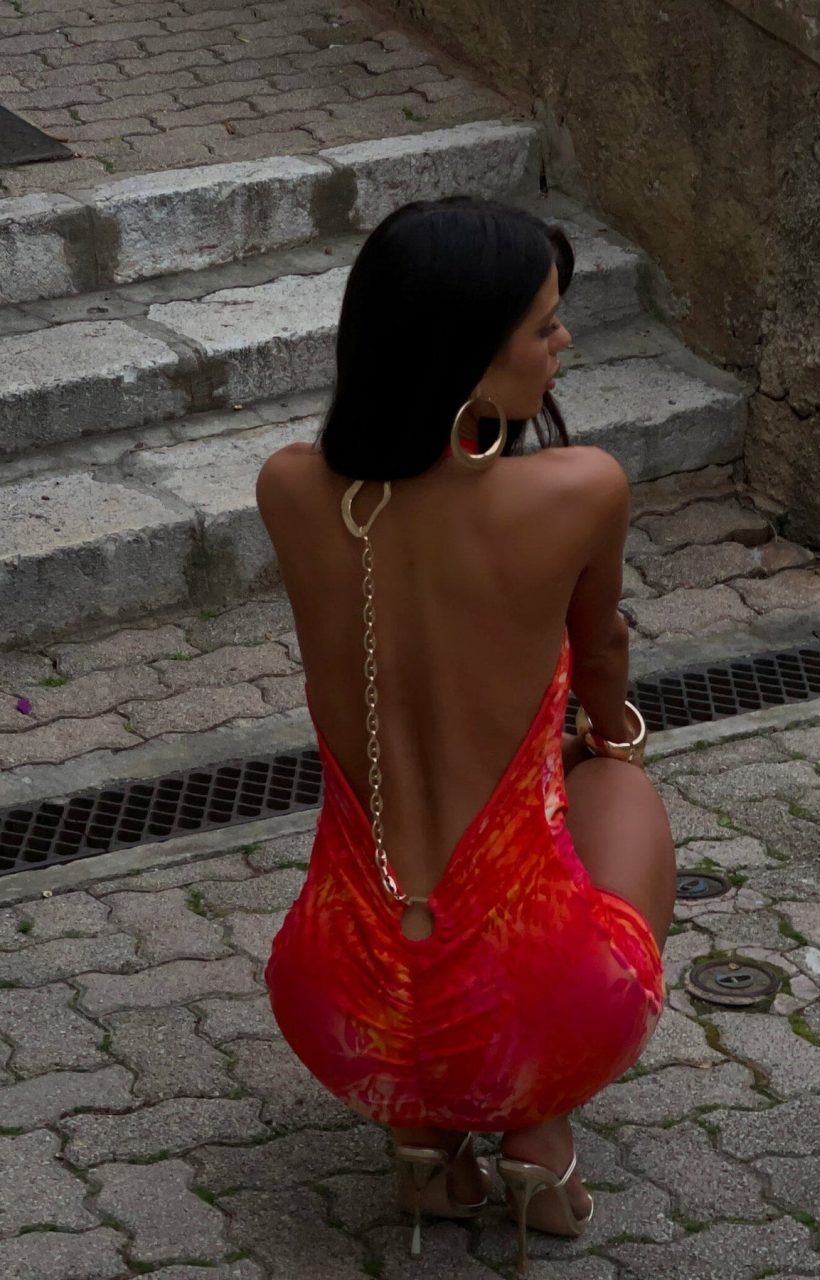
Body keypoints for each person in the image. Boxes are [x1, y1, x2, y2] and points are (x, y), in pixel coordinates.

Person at [256, 196, 676, 1273]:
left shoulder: (291, 487)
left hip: (337, 1002)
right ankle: (539, 1128)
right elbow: (601, 655)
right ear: (469, 359)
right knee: (620, 785)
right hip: (537, 1000)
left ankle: (427, 1142)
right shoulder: (581, 488)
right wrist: (608, 740)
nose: (563, 340)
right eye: (543, 324)